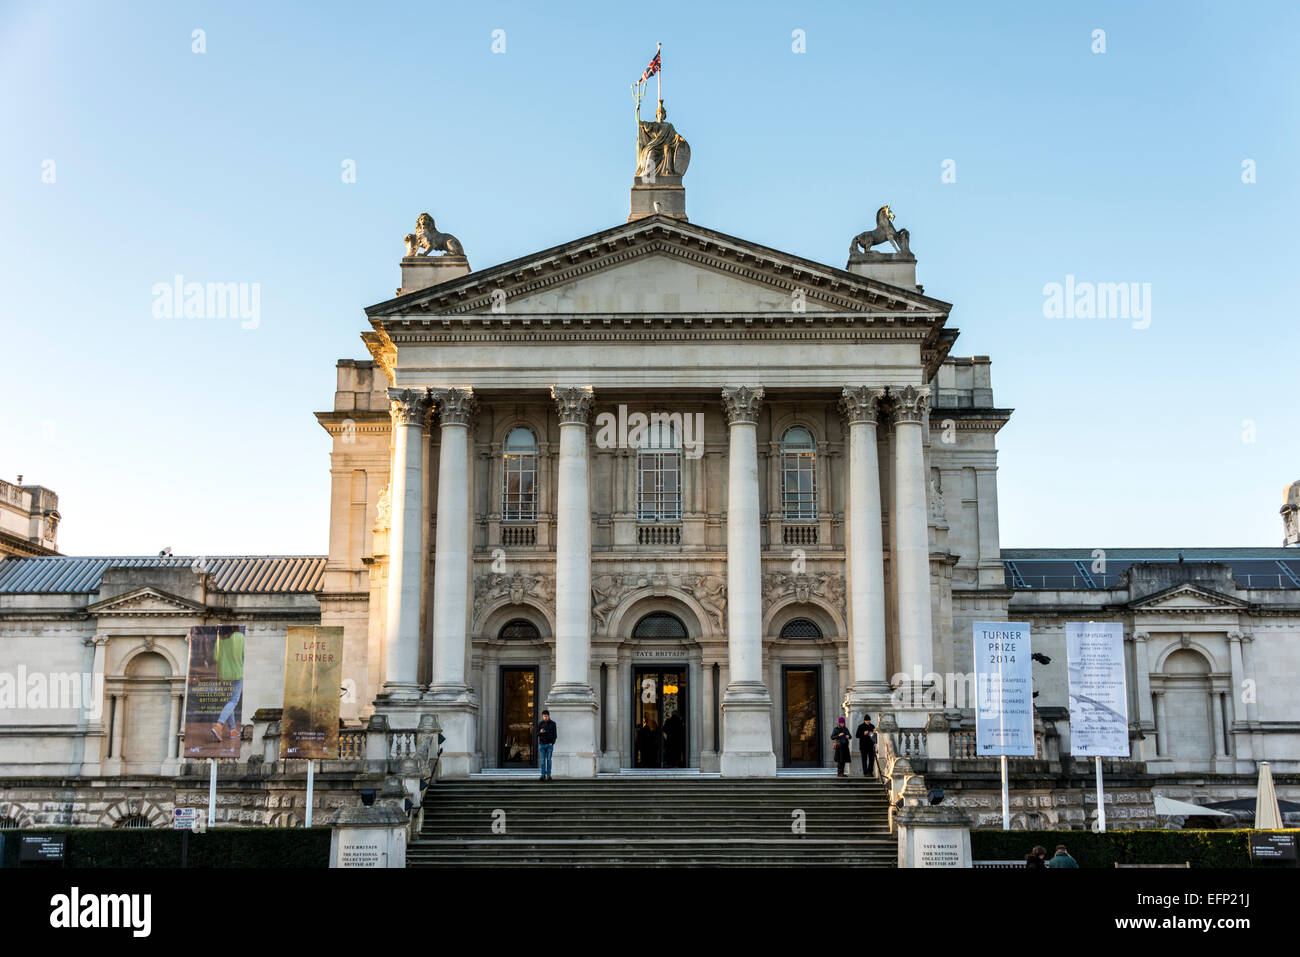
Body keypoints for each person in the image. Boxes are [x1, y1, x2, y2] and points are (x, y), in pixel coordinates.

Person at [210, 628, 245, 744]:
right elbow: (244, 655)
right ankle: (219, 725)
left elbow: (216, 659)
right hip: (237, 674)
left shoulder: (219, 640)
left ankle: (233, 729)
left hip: (223, 675)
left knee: (229, 703)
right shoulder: (240, 637)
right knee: (233, 702)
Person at [537, 708, 557, 781]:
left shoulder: (553, 724)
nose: (545, 717)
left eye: (546, 716)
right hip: (541, 745)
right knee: (542, 761)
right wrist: (540, 732)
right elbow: (537, 734)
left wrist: (552, 743)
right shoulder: (540, 724)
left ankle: (548, 775)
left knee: (549, 760)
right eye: (544, 716)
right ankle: (542, 775)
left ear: (549, 716)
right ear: (542, 716)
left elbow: (555, 735)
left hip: (549, 745)